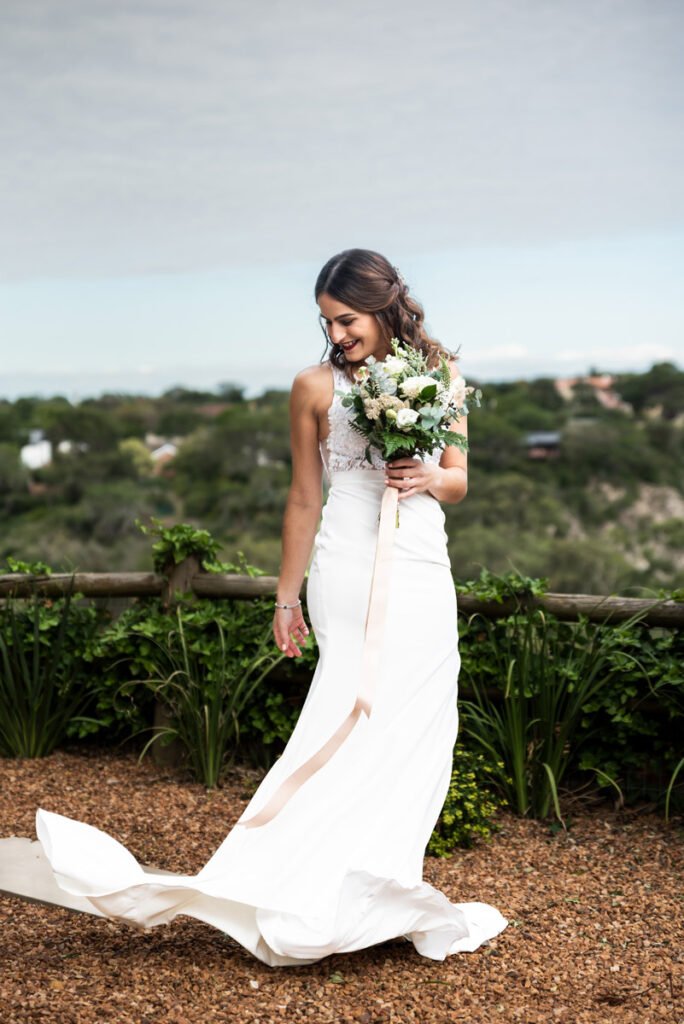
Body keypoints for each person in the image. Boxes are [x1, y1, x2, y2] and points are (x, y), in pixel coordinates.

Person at [0, 248, 508, 967]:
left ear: (385, 306)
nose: (337, 335)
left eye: (348, 320)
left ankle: (380, 887)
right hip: (347, 563)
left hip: (422, 564)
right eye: (327, 322)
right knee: (346, 712)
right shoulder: (312, 387)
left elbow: (458, 481)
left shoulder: (441, 375)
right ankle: (303, 884)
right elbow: (303, 497)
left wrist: (426, 475)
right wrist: (286, 594)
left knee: (418, 723)